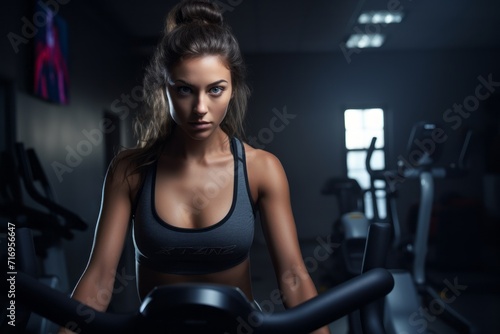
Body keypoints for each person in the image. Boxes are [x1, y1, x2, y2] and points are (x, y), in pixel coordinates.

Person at [61, 1, 330, 333]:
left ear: (233, 90)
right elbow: (100, 280)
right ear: (166, 89)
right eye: (185, 90)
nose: (201, 108)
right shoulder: (129, 170)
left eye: (215, 89)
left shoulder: (262, 169)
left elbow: (293, 277)